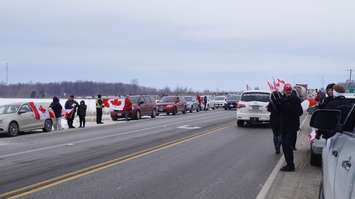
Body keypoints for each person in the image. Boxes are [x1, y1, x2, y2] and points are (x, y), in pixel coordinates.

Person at [278, 83, 303, 172]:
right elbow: (277, 111)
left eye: (289, 90)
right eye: (286, 90)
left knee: (288, 146)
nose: (288, 92)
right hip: (283, 126)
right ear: (284, 91)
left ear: (291, 91)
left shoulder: (295, 99)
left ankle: (290, 165)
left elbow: (300, 112)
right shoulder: (281, 99)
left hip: (291, 126)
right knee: (284, 146)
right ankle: (288, 164)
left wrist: (291, 108)